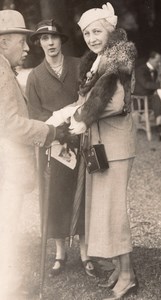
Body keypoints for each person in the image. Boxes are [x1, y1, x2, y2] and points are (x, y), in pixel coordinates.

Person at [50, 2, 139, 299]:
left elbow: (115, 103)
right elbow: (88, 102)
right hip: (101, 146)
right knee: (104, 209)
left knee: (114, 211)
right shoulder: (98, 60)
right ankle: (118, 267)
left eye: (97, 31)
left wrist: (81, 117)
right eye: (87, 33)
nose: (91, 37)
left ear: (110, 30)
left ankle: (127, 275)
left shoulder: (120, 55)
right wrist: (71, 113)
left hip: (115, 144)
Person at [0, 10, 70, 300]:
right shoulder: (2, 71)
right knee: (6, 233)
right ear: (3, 43)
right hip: (7, 169)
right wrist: (49, 132)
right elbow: (8, 123)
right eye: (23, 41)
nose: (29, 47)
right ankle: (10, 290)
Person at [26, 20, 95, 278]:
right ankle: (60, 254)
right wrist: (57, 129)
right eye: (44, 38)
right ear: (39, 43)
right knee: (54, 197)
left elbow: (89, 98)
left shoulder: (79, 65)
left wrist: (76, 122)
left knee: (83, 193)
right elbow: (34, 113)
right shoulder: (35, 76)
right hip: (53, 144)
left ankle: (86, 253)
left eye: (54, 37)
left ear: (61, 41)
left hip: (81, 139)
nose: (50, 43)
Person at [134, 51, 161, 142]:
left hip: (150, 98)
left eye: (160, 61)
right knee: (158, 99)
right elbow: (147, 85)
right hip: (139, 100)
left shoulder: (155, 71)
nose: (159, 63)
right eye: (157, 61)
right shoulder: (140, 70)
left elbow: (153, 85)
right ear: (150, 59)